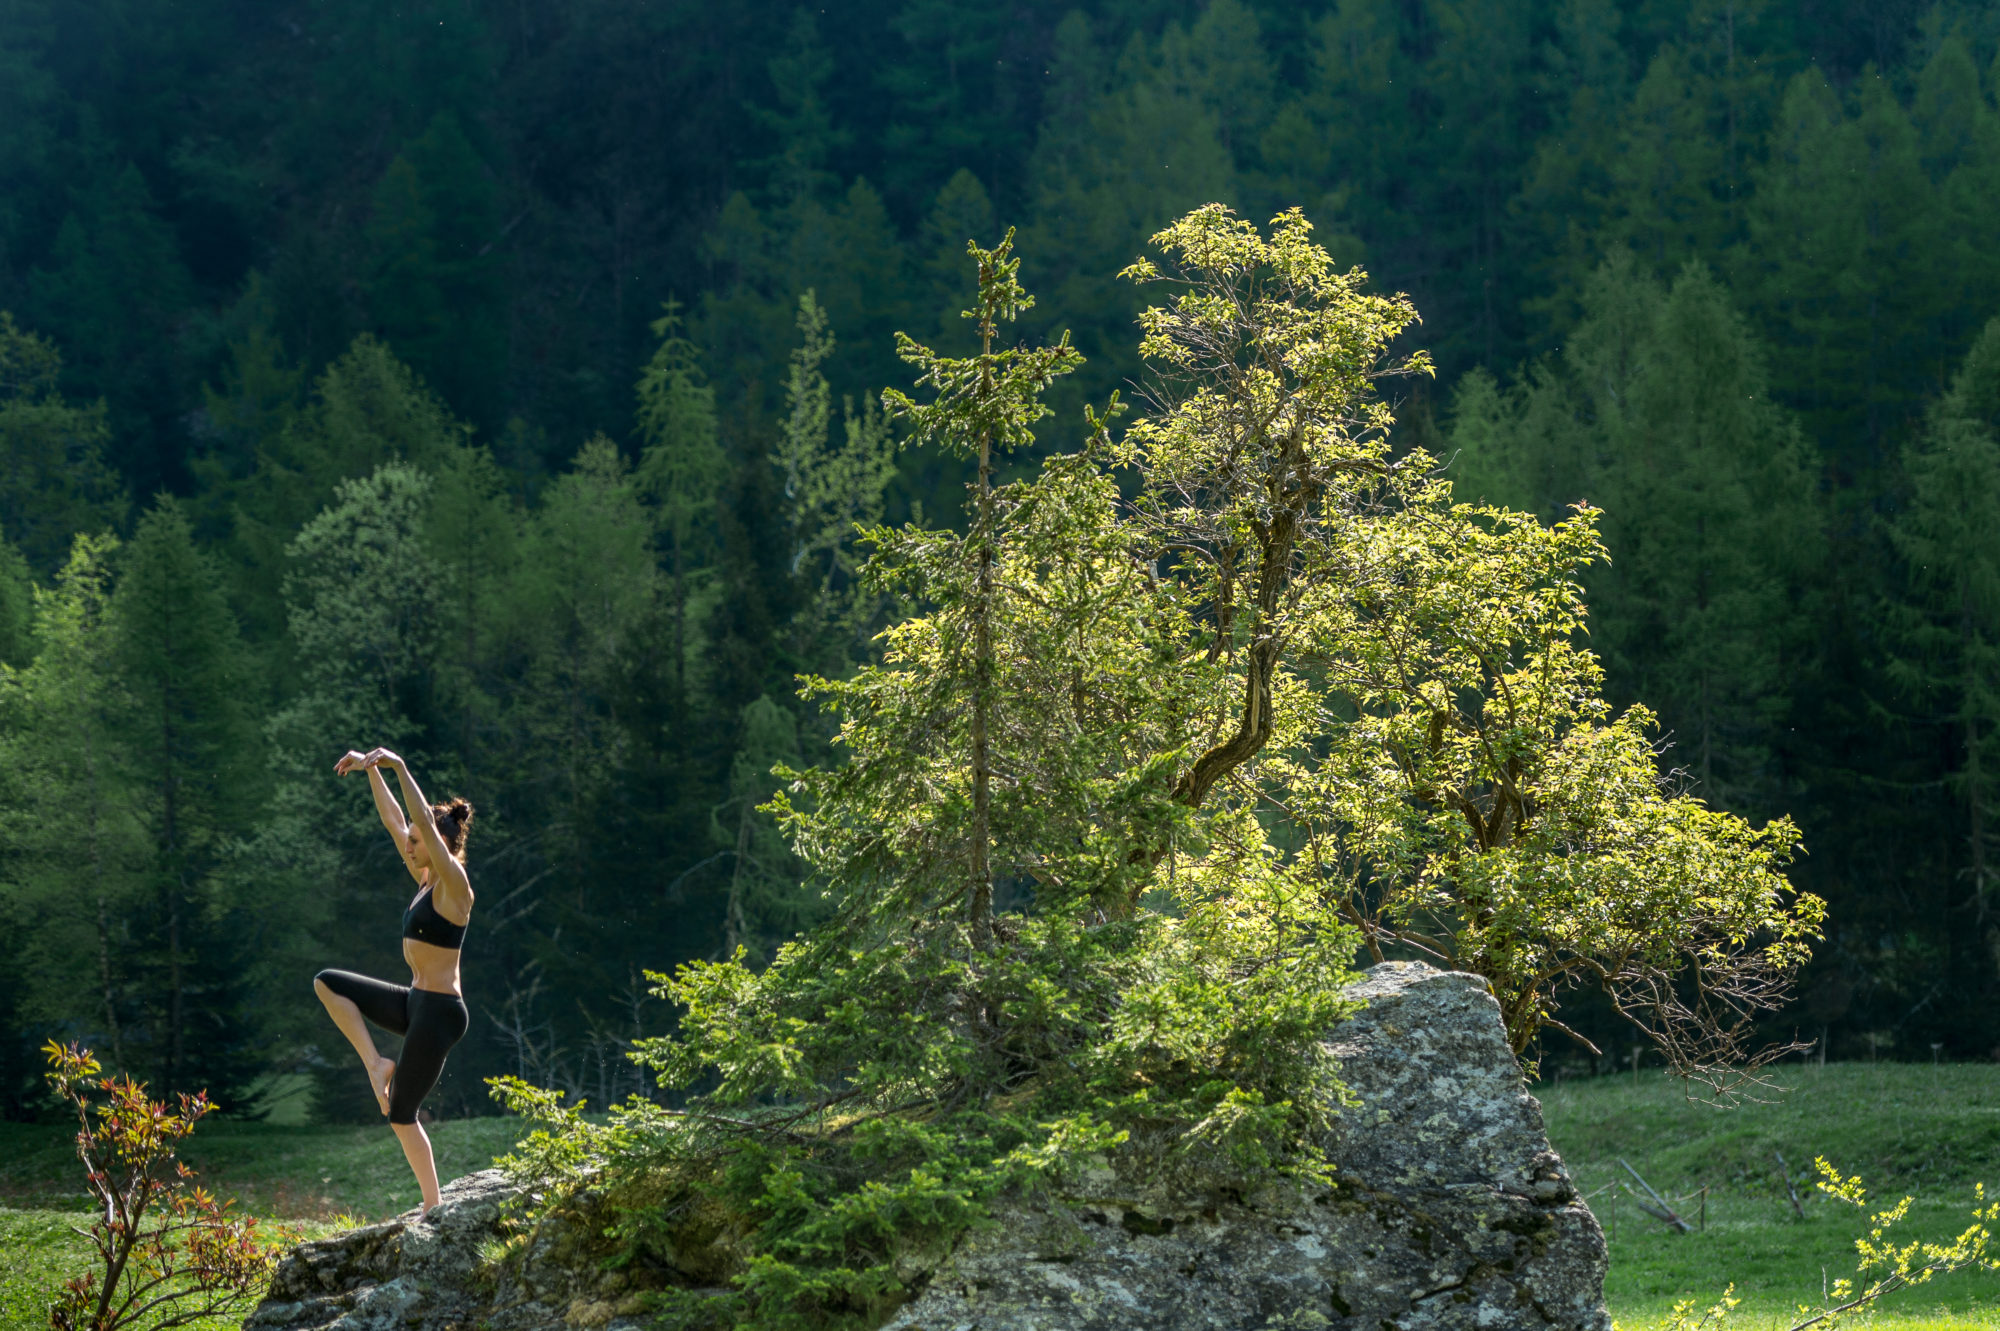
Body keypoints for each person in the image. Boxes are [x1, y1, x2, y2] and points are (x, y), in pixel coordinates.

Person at [313, 747, 474, 1214]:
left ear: (441, 844)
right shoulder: (425, 880)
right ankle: (375, 1064)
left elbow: (419, 817)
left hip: (441, 1012)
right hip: (416, 1001)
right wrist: (370, 771)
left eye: (419, 841)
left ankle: (432, 1205)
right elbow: (396, 821)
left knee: (401, 1114)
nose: (410, 843)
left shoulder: (455, 885)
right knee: (329, 982)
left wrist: (400, 765)